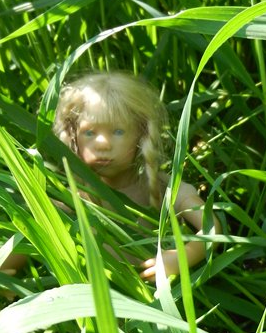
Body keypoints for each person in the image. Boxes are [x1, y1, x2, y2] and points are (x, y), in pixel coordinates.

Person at [52, 71, 219, 281]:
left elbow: (211, 225)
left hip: (153, 295)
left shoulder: (163, 187)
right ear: (74, 135)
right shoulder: (74, 194)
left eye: (119, 132)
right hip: (93, 295)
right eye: (89, 132)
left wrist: (183, 257)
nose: (103, 144)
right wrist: (5, 267)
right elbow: (31, 227)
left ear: (141, 135)